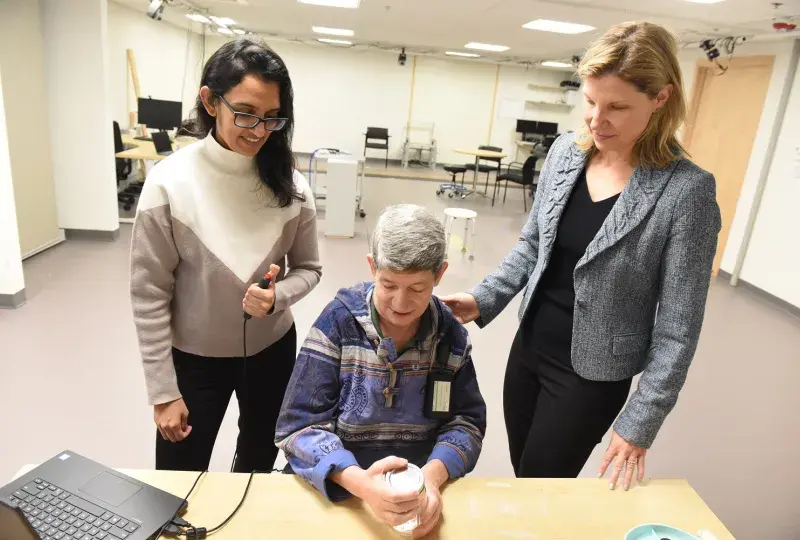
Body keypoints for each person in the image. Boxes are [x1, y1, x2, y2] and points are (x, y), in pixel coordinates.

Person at [442, 22, 721, 490]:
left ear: (661, 98)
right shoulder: (565, 155)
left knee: (544, 483)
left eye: (616, 107)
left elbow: (678, 326)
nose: (596, 120)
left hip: (589, 377)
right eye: (590, 101)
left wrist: (641, 420)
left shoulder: (685, 192)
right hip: (529, 348)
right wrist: (482, 298)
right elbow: (533, 245)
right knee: (525, 470)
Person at [130, 38, 321, 473]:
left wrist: (278, 297)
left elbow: (309, 268)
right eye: (245, 113)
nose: (258, 130)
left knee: (256, 466)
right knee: (180, 474)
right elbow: (148, 295)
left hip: (271, 352)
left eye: (273, 118)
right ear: (210, 101)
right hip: (193, 362)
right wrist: (163, 392)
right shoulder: (168, 184)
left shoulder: (292, 186)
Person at [275, 204, 486, 538]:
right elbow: (298, 427)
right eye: (388, 285)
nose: (401, 304)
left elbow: (467, 424)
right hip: (342, 484)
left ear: (440, 275)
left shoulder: (451, 336)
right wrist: (359, 482)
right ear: (372, 266)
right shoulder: (338, 324)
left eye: (417, 289)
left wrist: (430, 478)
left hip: (416, 486)